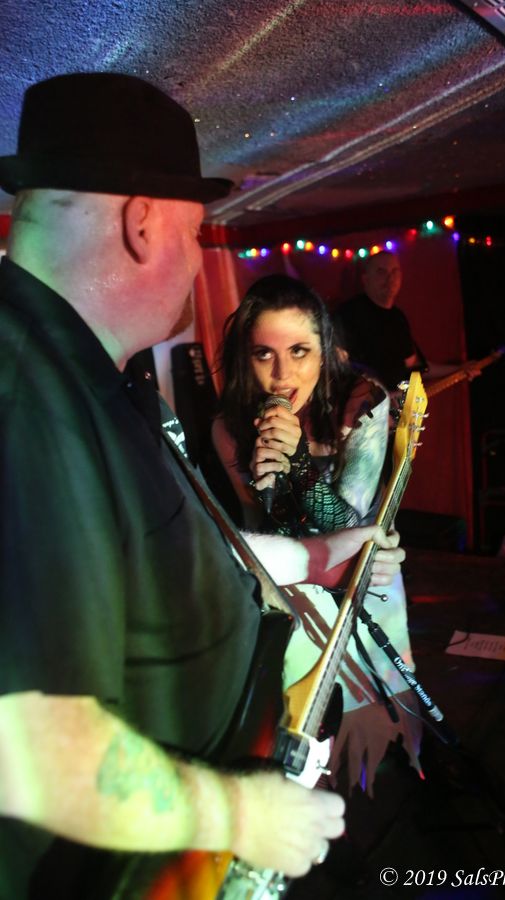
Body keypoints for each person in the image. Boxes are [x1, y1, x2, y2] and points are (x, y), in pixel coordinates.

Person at [0, 72, 405, 899]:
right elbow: (23, 748)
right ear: (143, 224)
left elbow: (181, 553)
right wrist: (236, 814)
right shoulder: (21, 394)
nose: (196, 258)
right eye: (195, 232)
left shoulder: (90, 380)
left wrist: (322, 553)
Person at [211, 274, 422, 796]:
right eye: (264, 354)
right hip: (297, 594)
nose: (282, 375)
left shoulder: (362, 402)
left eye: (299, 352)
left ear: (325, 351)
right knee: (305, 738)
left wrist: (299, 464)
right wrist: (269, 483)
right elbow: (265, 535)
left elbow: (353, 530)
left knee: (374, 738)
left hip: (365, 581)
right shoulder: (230, 426)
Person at [334, 249, 481, 397]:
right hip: (365, 408)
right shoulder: (348, 314)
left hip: (396, 408)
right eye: (381, 272)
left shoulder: (398, 318)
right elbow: (336, 368)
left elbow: (415, 366)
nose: (390, 279)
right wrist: (376, 397)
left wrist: (459, 369)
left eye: (395, 272)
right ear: (366, 279)